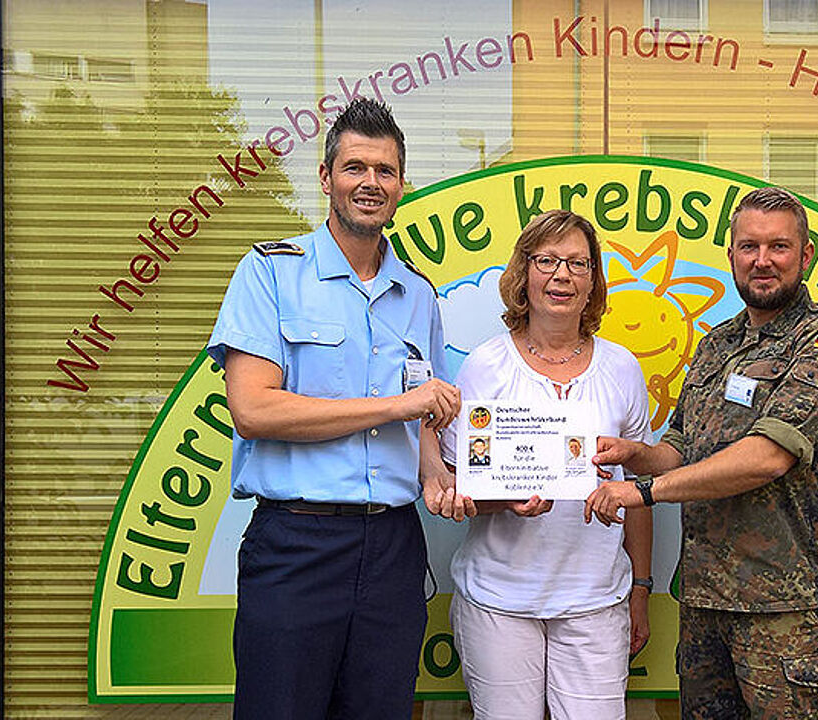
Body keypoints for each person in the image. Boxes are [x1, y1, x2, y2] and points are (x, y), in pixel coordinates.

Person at [207, 98, 467, 720]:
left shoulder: (418, 295)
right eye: (355, 167)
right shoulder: (269, 273)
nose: (369, 183)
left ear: (401, 184)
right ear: (326, 178)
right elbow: (254, 410)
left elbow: (422, 420)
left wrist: (437, 474)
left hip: (394, 549)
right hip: (298, 542)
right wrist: (396, 404)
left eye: (384, 170)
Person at [585, 187, 818, 719]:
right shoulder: (718, 344)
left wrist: (641, 490)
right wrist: (636, 454)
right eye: (749, 247)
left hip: (785, 612)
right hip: (705, 605)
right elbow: (683, 447)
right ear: (733, 255)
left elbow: (766, 457)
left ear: (806, 256)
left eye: (779, 247)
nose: (763, 261)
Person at [435, 209, 653, 720]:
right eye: (547, 260)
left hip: (597, 600)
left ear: (593, 280)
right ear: (523, 273)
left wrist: (641, 590)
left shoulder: (621, 367)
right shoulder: (484, 366)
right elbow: (456, 484)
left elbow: (640, 490)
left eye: (578, 264)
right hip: (498, 600)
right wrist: (503, 500)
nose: (561, 275)